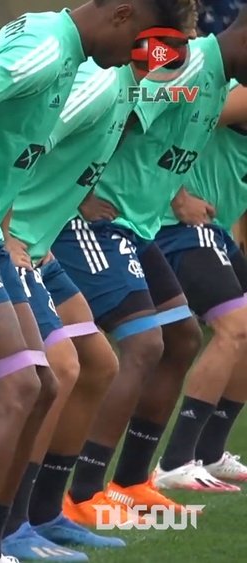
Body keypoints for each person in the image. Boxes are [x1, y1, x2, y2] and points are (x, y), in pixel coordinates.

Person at [0, 1, 192, 561]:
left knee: (49, 383)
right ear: (122, 16)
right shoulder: (50, 49)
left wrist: (1, 218)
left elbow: (11, 148)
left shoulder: (70, 54)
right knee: (22, 385)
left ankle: (7, 536)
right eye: (143, 42)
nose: (139, 59)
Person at [54, 17, 247, 520]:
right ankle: (83, 492)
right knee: (142, 345)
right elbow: (114, 112)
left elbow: (159, 140)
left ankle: (132, 481)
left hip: (135, 227)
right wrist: (79, 191)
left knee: (182, 337)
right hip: (95, 223)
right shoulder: (182, 67)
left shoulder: (214, 82)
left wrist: (176, 193)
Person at [0, 59, 140, 561]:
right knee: (58, 369)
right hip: (10, 245)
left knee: (100, 364)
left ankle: (44, 514)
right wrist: (8, 232)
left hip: (41, 247)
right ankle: (9, 527)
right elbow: (17, 146)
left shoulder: (134, 87)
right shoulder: (101, 82)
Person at [150, 79, 247, 489]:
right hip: (183, 226)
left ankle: (209, 453)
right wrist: (176, 194)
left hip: (216, 229)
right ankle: (174, 461)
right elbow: (165, 123)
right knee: (234, 327)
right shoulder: (239, 94)